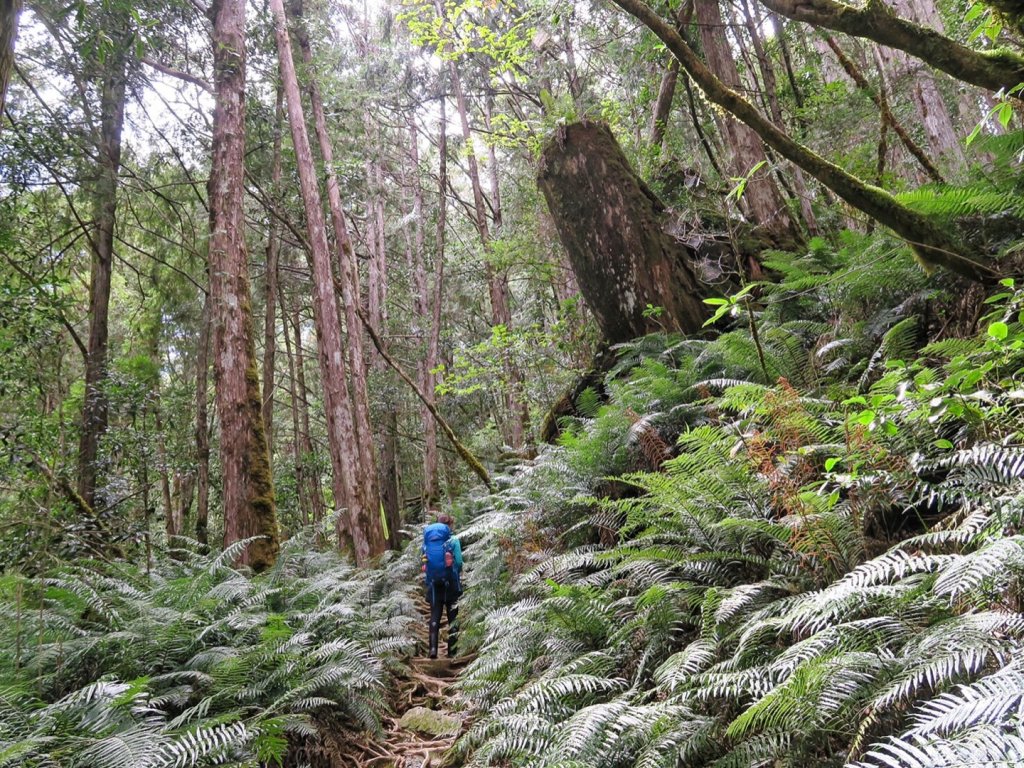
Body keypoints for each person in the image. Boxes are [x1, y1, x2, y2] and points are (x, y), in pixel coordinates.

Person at [421, 511, 463, 659]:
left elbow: (424, 562)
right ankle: (452, 651)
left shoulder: (427, 542)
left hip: (434, 586)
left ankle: (433, 650)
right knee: (452, 617)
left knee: (435, 616)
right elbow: (458, 562)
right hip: (451, 584)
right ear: (449, 525)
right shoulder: (454, 540)